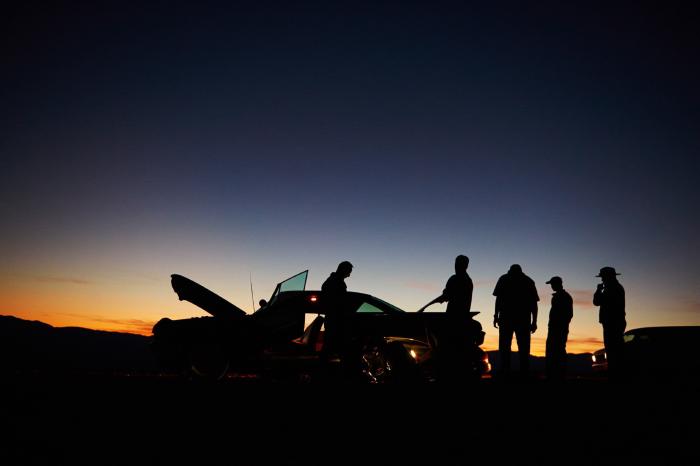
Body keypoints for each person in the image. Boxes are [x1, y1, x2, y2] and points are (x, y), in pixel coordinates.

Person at [418, 255, 474, 380]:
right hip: (462, 318)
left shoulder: (455, 279)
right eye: (456, 263)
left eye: (458, 263)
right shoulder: (468, 280)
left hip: (453, 318)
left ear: (463, 265)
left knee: (444, 345)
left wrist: (439, 299)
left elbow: (446, 295)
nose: (455, 266)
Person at [493, 264, 539, 376]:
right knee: (521, 346)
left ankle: (507, 370)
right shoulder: (528, 281)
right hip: (520, 319)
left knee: (507, 345)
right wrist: (534, 321)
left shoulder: (504, 279)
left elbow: (498, 300)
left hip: (509, 318)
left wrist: (496, 316)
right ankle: (521, 370)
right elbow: (534, 304)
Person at [321, 261, 354, 377]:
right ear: (343, 269)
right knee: (336, 347)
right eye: (349, 272)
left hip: (333, 319)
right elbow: (338, 303)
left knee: (330, 347)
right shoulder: (335, 282)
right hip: (336, 320)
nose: (349, 275)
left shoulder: (332, 281)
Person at [593, 266, 626, 377]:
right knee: (614, 350)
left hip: (612, 323)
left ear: (608, 277)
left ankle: (616, 375)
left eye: (603, 277)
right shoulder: (614, 288)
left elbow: (596, 302)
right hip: (613, 322)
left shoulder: (612, 289)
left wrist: (598, 290)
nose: (602, 280)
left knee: (613, 350)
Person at [544, 276, 573, 380]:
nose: (551, 286)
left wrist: (560, 325)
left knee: (558, 350)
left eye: (552, 284)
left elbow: (568, 315)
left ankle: (559, 374)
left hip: (558, 329)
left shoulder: (564, 297)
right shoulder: (558, 297)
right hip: (554, 328)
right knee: (553, 351)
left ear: (557, 284)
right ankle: (554, 373)